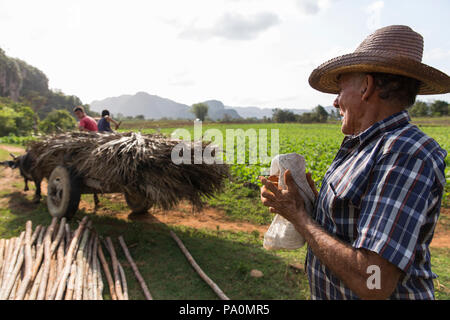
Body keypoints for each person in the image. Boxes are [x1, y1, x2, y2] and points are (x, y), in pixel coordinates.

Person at [260, 25, 450, 300]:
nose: (335, 102)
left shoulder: (404, 153)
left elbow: (374, 280)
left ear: (366, 86)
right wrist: (309, 203)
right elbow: (349, 226)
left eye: (339, 89)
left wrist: (299, 218)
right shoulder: (365, 145)